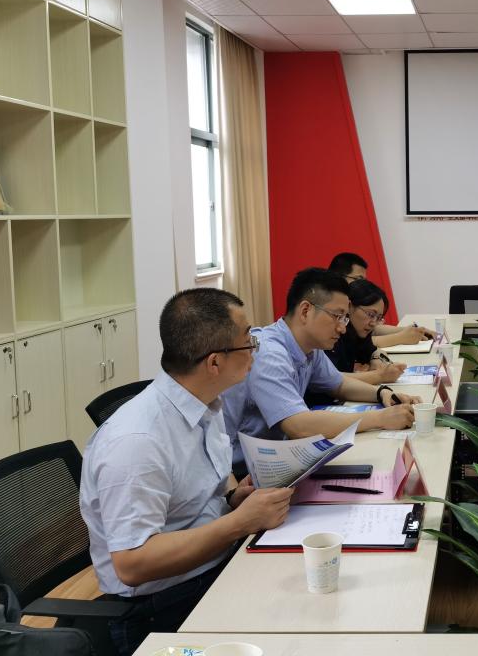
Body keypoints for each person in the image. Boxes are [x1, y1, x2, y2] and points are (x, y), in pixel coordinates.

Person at [80, 289, 293, 656]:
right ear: (215, 362)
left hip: (214, 565)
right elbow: (132, 563)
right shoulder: (137, 442)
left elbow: (202, 491)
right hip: (161, 606)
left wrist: (233, 498)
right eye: (249, 341)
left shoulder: (205, 403)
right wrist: (239, 522)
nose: (255, 350)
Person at [223, 268, 419, 475]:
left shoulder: (309, 347)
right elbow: (299, 426)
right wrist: (380, 418)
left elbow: (339, 384)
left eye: (345, 318)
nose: (342, 328)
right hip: (242, 474)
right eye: (337, 316)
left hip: (275, 459)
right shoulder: (270, 354)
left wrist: (383, 393)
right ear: (305, 311)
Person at [327, 251, 434, 348]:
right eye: (358, 279)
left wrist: (413, 331)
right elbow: (354, 345)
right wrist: (401, 337)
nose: (363, 284)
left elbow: (372, 329)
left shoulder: (353, 306)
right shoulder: (330, 308)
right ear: (338, 277)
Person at [326, 279, 406, 385]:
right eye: (371, 315)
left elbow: (374, 350)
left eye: (378, 318)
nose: (374, 323)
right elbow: (329, 378)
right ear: (349, 306)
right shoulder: (333, 334)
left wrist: (376, 359)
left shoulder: (357, 333)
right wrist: (380, 376)